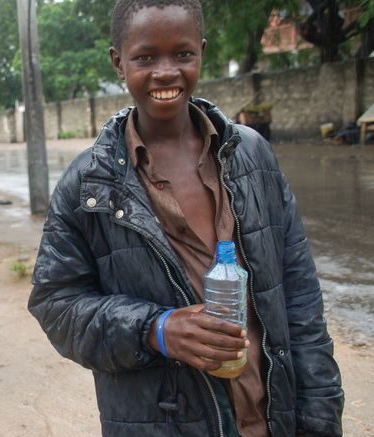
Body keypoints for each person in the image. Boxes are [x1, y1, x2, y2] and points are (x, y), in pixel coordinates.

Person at [28, 1, 344, 436]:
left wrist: (321, 417)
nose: (165, 72)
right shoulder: (86, 186)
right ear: (117, 61)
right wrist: (155, 330)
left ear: (202, 51)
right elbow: (55, 305)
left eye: (182, 54)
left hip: (275, 417)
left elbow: (302, 300)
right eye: (144, 57)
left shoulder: (253, 157)